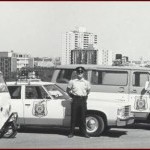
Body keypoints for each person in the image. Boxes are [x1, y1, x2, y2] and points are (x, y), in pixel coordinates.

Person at [66, 66, 91, 138]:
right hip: (75, 100)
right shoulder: (72, 82)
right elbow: (67, 90)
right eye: (78, 72)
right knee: (74, 117)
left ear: (83, 73)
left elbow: (88, 91)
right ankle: (71, 132)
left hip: (83, 100)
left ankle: (84, 133)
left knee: (83, 117)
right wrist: (72, 96)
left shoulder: (86, 82)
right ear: (76, 73)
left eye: (81, 72)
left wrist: (84, 97)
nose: (80, 73)